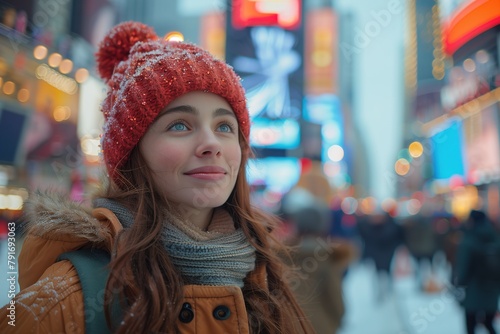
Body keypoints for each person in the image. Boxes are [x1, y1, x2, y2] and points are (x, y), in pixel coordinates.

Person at [0, 21, 315, 333]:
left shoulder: (265, 280)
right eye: (179, 125)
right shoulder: (63, 303)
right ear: (132, 153)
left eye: (224, 127)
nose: (212, 145)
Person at [454, 209, 500, 334]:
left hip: (473, 288)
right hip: (493, 288)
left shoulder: (468, 240)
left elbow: (463, 267)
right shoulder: (495, 237)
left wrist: (458, 284)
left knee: (470, 322)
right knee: (489, 322)